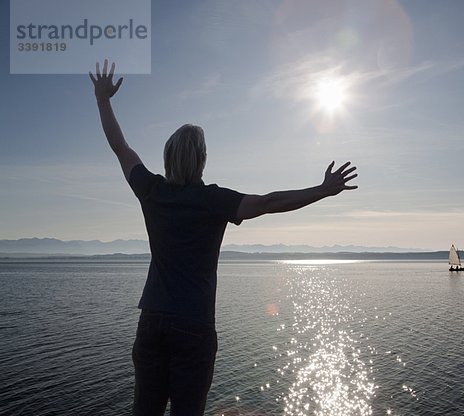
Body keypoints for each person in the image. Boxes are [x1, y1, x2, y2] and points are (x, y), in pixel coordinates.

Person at [89, 59, 358, 416]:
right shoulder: (213, 200)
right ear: (202, 160)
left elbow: (120, 147)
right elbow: (269, 203)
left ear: (167, 158)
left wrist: (102, 99)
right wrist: (322, 190)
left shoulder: (152, 190)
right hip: (194, 325)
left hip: (151, 320)